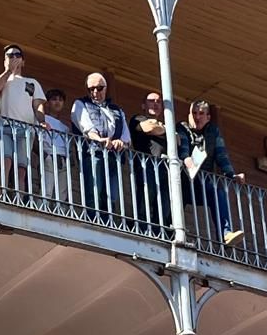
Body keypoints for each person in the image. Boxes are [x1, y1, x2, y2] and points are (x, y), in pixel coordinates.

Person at [178, 99, 246, 246]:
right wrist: (186, 159)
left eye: (201, 114)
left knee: (217, 193)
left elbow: (221, 155)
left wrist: (231, 174)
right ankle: (172, 230)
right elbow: (183, 148)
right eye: (194, 113)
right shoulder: (182, 128)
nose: (197, 117)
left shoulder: (213, 131)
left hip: (201, 181)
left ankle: (225, 234)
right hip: (182, 180)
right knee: (176, 203)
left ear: (208, 117)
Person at [72, 73, 131, 218]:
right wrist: (99, 139)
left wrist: (121, 142)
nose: (95, 92)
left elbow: (126, 136)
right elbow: (86, 128)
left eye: (99, 88)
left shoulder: (117, 110)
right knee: (94, 191)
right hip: (94, 154)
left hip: (114, 157)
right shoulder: (81, 104)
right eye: (91, 89)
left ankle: (107, 221)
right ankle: (94, 221)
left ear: (106, 88)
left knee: (112, 195)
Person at [0, 45, 46, 187]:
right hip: (3, 127)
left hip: (25, 130)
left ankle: (18, 198)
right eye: (9, 55)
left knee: (21, 168)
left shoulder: (32, 83)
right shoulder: (0, 79)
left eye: (17, 55)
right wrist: (8, 71)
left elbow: (38, 105)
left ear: (23, 61)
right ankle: (1, 196)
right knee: (4, 162)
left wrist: (42, 120)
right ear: (4, 60)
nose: (13, 58)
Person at [130, 92, 172, 226]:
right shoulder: (138, 118)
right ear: (143, 105)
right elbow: (149, 128)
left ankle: (160, 229)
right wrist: (167, 130)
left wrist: (161, 128)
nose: (155, 103)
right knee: (147, 195)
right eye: (151, 101)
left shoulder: (165, 125)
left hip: (164, 167)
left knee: (164, 202)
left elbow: (177, 140)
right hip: (146, 164)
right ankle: (141, 226)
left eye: (158, 101)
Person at [37, 88, 73, 199]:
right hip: (49, 156)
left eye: (60, 100)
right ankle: (41, 213)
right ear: (47, 103)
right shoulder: (42, 120)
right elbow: (35, 138)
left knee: (62, 194)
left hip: (63, 159)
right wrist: (42, 154)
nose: (57, 102)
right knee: (46, 191)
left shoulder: (65, 127)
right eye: (54, 99)